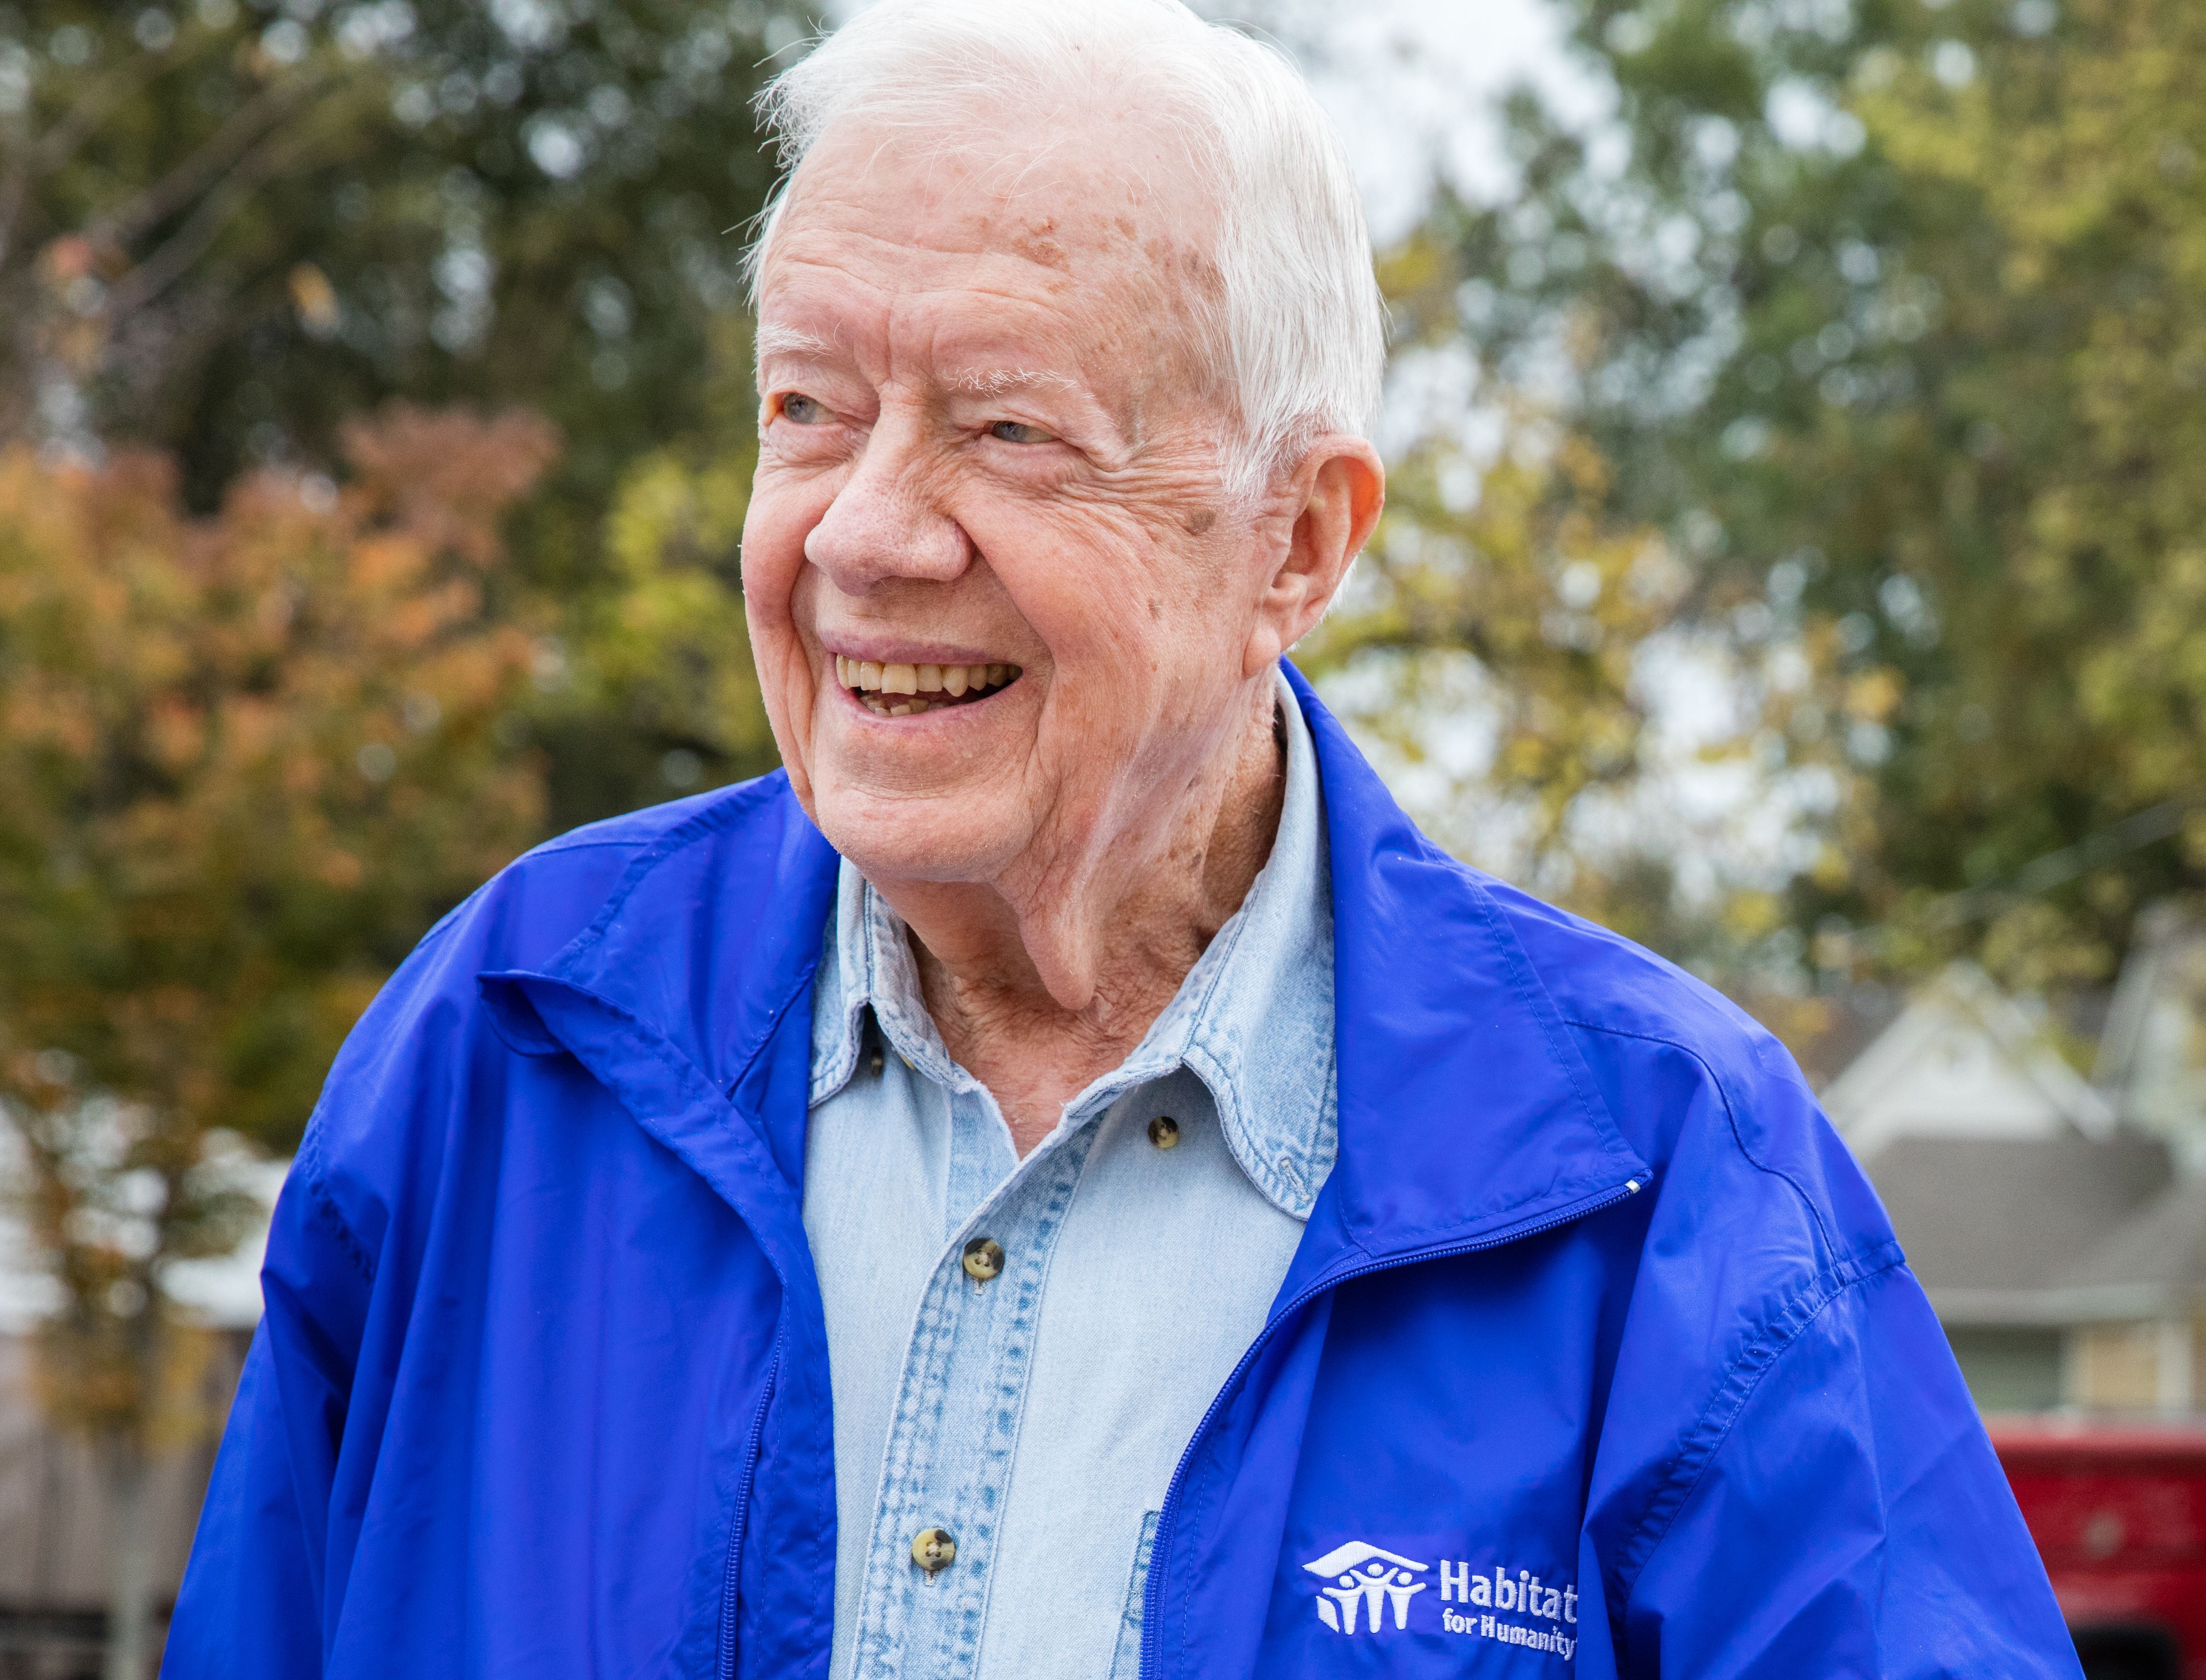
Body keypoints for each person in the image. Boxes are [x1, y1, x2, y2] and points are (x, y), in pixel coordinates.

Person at [162, 1, 2078, 1675]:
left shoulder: (1661, 1180)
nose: (866, 534)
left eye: (1007, 433)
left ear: (1299, 542)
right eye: (810, 410)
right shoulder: (510, 1048)